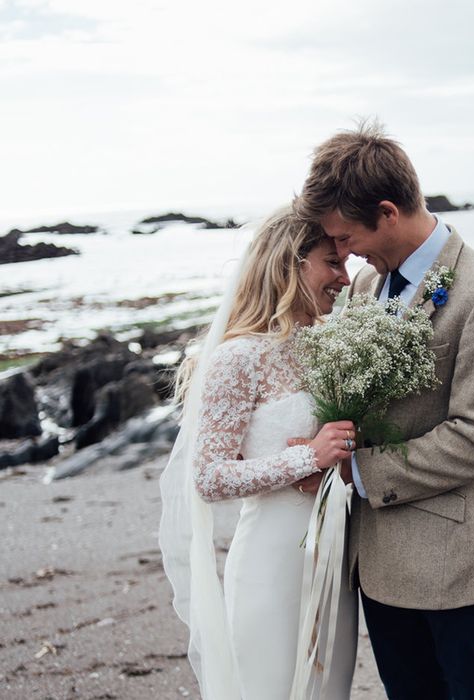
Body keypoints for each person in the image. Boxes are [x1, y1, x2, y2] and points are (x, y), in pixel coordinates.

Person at [295, 123, 474, 700]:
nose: (345, 256)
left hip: (455, 563)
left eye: (346, 237)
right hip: (375, 558)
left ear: (387, 212)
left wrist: (359, 472)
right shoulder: (364, 287)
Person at [158, 206, 358, 700]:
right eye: (332, 263)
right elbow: (209, 477)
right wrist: (306, 458)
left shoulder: (329, 346)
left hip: (334, 556)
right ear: (292, 264)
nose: (345, 277)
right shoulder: (236, 358)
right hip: (272, 562)